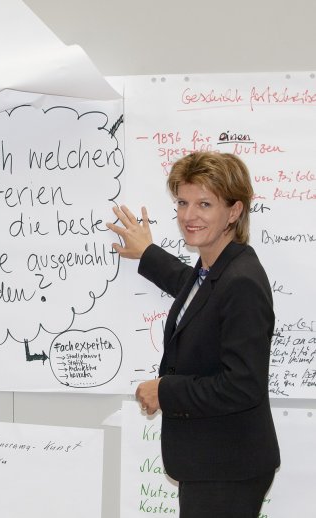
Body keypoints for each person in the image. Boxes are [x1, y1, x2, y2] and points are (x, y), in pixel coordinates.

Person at [107, 151, 280, 518]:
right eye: (182, 203)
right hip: (212, 461)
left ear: (233, 211)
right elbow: (195, 291)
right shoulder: (213, 270)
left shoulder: (242, 281)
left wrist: (164, 391)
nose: (188, 216)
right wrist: (148, 253)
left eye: (204, 204)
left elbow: (243, 386)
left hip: (228, 467)